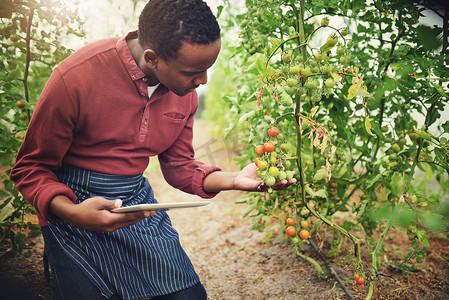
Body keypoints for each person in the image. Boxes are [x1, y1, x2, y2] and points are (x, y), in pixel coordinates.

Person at [10, 0, 296, 299]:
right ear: (152, 58)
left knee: (188, 295)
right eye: (194, 71)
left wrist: (236, 179)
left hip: (135, 203)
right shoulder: (76, 77)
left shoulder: (184, 93)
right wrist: (72, 212)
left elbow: (179, 166)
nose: (202, 81)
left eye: (208, 69)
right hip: (73, 207)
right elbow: (31, 168)